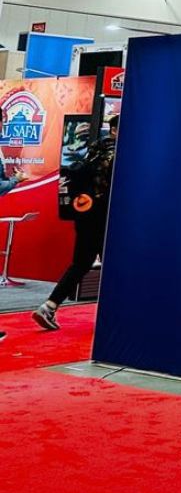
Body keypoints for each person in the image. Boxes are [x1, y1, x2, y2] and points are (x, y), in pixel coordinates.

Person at [33, 115, 118, 332]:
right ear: (115, 130)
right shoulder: (115, 155)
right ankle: (115, 317)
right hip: (106, 218)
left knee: (81, 263)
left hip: (85, 215)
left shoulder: (92, 151)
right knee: (115, 266)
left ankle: (49, 306)